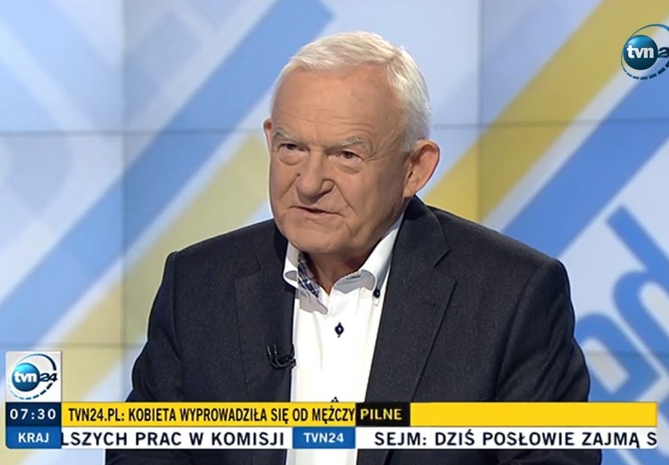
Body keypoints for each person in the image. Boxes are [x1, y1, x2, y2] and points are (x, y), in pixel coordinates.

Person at [106, 31, 600, 465]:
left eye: (346, 155)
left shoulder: (512, 297)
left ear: (415, 169)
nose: (309, 183)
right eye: (292, 148)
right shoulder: (197, 285)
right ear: (270, 140)